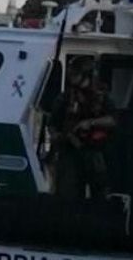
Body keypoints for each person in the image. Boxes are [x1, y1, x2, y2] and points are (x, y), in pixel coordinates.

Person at [50, 57, 116, 200]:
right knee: (68, 193)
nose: (71, 76)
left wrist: (90, 123)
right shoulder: (66, 97)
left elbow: (112, 120)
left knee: (100, 192)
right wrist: (56, 136)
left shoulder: (102, 96)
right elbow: (54, 122)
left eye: (75, 73)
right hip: (70, 152)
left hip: (94, 151)